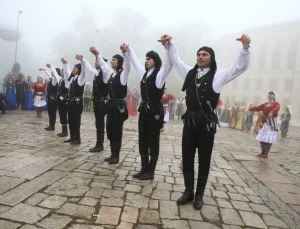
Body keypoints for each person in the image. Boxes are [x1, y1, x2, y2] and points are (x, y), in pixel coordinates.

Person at [160, 33, 251, 209]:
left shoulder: (219, 76)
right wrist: (170, 43)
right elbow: (176, 60)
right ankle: (188, 191)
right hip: (190, 122)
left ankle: (199, 194)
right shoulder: (190, 73)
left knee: (204, 158)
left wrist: (246, 48)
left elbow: (240, 67)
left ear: (211, 58)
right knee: (187, 156)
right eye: (198, 54)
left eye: (204, 54)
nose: (200, 57)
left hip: (207, 125)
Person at [121, 39, 172, 180]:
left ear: (155, 60)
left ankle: (151, 171)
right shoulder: (144, 73)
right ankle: (143, 168)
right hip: (143, 110)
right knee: (142, 138)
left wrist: (167, 47)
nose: (146, 61)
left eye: (149, 59)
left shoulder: (160, 75)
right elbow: (136, 62)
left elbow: (168, 64)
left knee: (153, 140)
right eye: (146, 59)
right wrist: (128, 49)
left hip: (155, 111)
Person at [89, 46, 130, 164]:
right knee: (110, 129)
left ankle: (116, 155)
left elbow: (128, 66)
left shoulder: (123, 75)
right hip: (111, 106)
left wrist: (125, 54)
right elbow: (103, 65)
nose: (111, 61)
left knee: (117, 131)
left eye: (114, 60)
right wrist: (97, 54)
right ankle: (112, 154)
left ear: (119, 62)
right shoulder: (111, 74)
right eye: (111, 59)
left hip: (118, 107)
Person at [81, 52, 109, 153]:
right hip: (97, 103)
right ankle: (99, 143)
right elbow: (88, 68)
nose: (96, 62)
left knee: (100, 123)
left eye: (97, 61)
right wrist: (83, 59)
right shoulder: (96, 73)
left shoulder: (105, 74)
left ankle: (99, 144)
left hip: (102, 103)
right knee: (98, 123)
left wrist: (98, 55)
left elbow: (104, 66)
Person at [62, 55, 86, 145]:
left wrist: (82, 61)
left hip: (77, 103)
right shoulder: (73, 79)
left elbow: (84, 71)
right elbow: (67, 73)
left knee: (76, 121)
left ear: (79, 69)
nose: (73, 69)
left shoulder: (80, 79)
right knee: (71, 120)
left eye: (75, 68)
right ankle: (72, 137)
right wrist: (65, 64)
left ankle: (77, 138)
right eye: (73, 67)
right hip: (71, 103)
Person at [248, 91, 280, 158]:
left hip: (271, 124)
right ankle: (262, 152)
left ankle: (266, 153)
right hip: (265, 123)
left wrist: (272, 111)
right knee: (262, 138)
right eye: (269, 94)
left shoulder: (276, 103)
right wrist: (249, 109)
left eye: (271, 94)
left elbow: (276, 108)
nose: (269, 95)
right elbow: (258, 108)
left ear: (274, 96)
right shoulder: (265, 104)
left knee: (268, 138)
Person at [45, 63, 69, 137]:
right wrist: (49, 68)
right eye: (61, 71)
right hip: (59, 99)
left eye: (62, 71)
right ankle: (61, 130)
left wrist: (65, 64)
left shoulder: (66, 80)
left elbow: (56, 74)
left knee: (63, 115)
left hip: (63, 99)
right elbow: (53, 74)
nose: (61, 72)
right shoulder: (60, 80)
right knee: (61, 114)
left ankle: (64, 131)